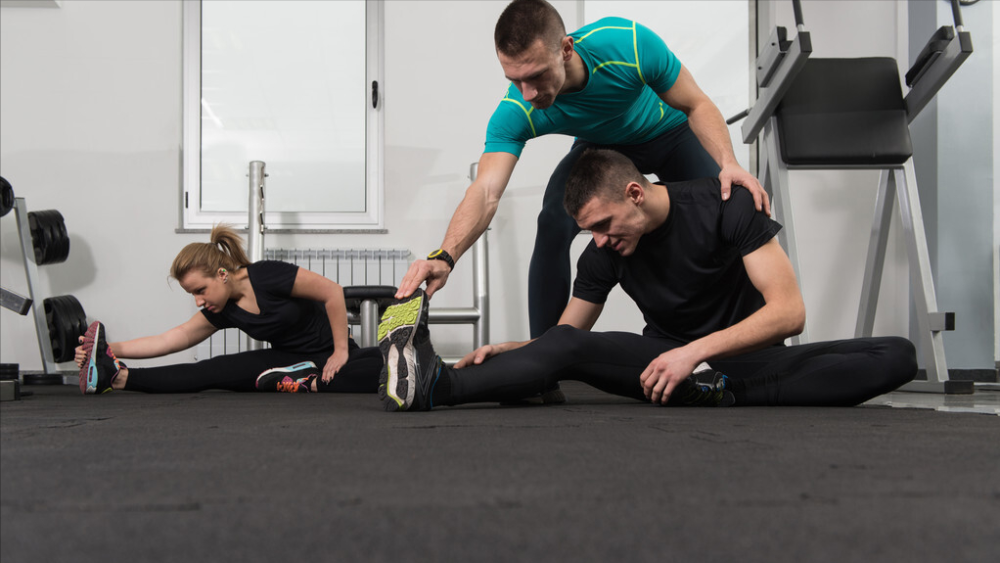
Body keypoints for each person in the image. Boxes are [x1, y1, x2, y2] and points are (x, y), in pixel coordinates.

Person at [376, 149, 916, 412]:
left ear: (635, 193)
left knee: (896, 354)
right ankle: (438, 385)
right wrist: (512, 350)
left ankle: (720, 391)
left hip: (746, 360)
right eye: (589, 231)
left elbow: (789, 313)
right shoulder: (605, 251)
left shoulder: (726, 206)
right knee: (563, 348)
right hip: (659, 366)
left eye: (604, 225)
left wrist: (695, 354)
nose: (599, 240)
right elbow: (568, 338)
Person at [396, 0, 770, 340]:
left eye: (536, 75)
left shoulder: (625, 44)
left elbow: (696, 104)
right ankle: (542, 359)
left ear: (566, 49)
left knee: (728, 206)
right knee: (553, 220)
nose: (528, 93)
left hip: (670, 132)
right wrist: (445, 256)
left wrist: (730, 163)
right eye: (515, 80)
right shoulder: (518, 110)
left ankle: (755, 334)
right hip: (602, 147)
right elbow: (486, 191)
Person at [76, 225, 381, 395]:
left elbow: (332, 292)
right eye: (192, 294)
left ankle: (312, 381)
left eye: (200, 290)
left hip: (330, 356)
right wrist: (107, 349)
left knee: (383, 363)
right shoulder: (221, 309)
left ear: (222, 274)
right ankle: (117, 377)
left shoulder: (267, 275)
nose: (198, 301)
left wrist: (340, 351)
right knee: (211, 370)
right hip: (287, 361)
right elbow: (172, 339)